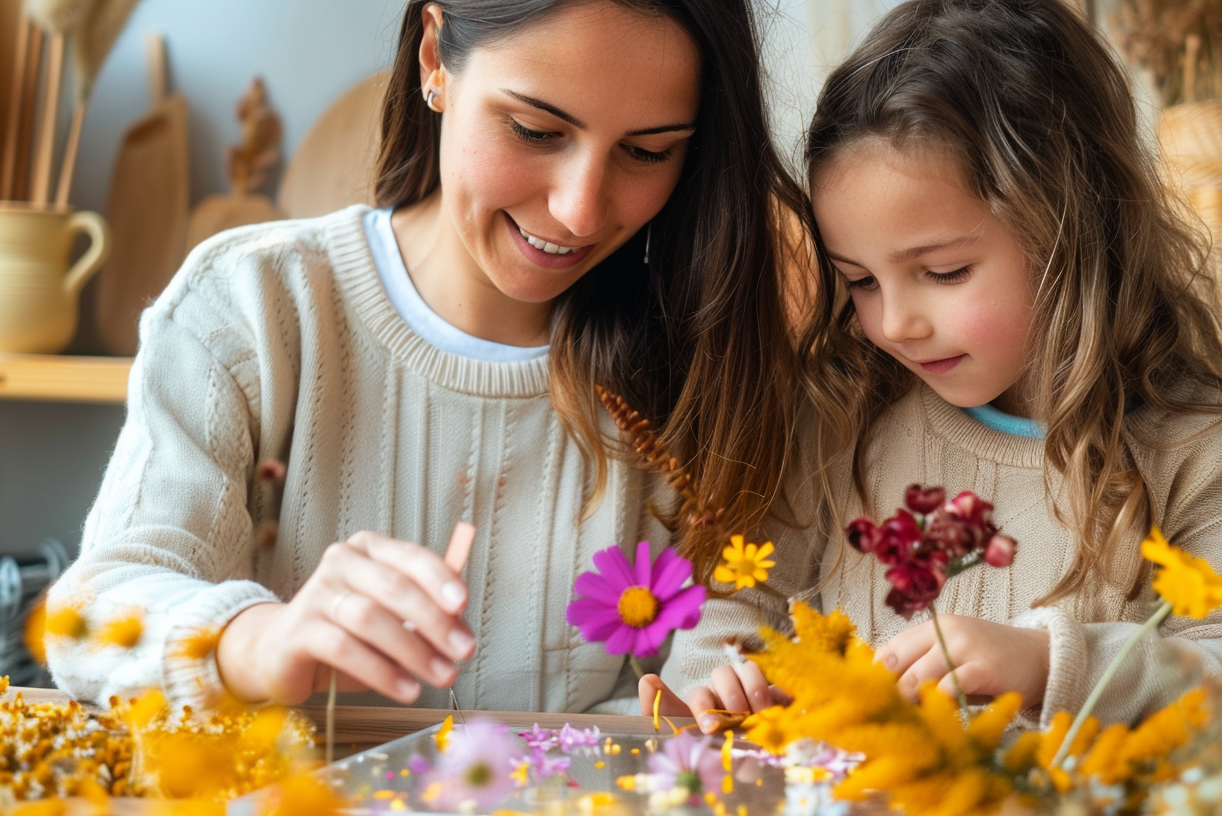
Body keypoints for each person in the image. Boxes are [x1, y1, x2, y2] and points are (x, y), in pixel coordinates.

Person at [46, 0, 811, 713]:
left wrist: (716, 701)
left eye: (646, 152)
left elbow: (716, 659)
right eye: (536, 131)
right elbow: (93, 614)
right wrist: (256, 641)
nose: (580, 208)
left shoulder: (711, 367)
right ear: (435, 56)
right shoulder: (251, 305)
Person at [647, 0, 1222, 731]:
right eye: (860, 281)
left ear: (1071, 228)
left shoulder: (1204, 454)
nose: (894, 323)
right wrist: (723, 681)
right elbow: (738, 605)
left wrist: (1050, 663)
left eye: (944, 271)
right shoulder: (837, 418)